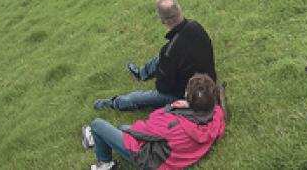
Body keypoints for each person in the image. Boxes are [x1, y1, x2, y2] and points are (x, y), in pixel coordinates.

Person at [93, 0, 216, 111]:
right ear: (180, 11)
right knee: (162, 58)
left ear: (163, 21)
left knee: (139, 97)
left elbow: (163, 88)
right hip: (209, 81)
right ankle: (141, 73)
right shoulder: (195, 25)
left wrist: (162, 74)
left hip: (188, 95)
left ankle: (114, 103)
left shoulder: (170, 51)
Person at [84, 73, 225, 170]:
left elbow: (144, 129)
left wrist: (172, 107)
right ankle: (101, 140)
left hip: (153, 161)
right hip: (177, 154)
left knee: (98, 125)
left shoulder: (171, 122)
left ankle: (105, 163)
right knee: (122, 128)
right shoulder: (216, 113)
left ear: (187, 94)